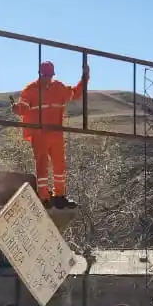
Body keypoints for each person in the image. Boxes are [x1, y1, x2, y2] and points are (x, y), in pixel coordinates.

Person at [12, 60, 90, 206]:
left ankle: (59, 196)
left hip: (56, 133)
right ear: (40, 74)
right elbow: (23, 107)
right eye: (45, 75)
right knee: (42, 164)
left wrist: (84, 78)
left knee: (59, 163)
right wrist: (17, 109)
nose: (47, 78)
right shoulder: (30, 89)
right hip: (39, 133)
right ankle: (44, 197)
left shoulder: (58, 87)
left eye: (49, 75)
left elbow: (74, 93)